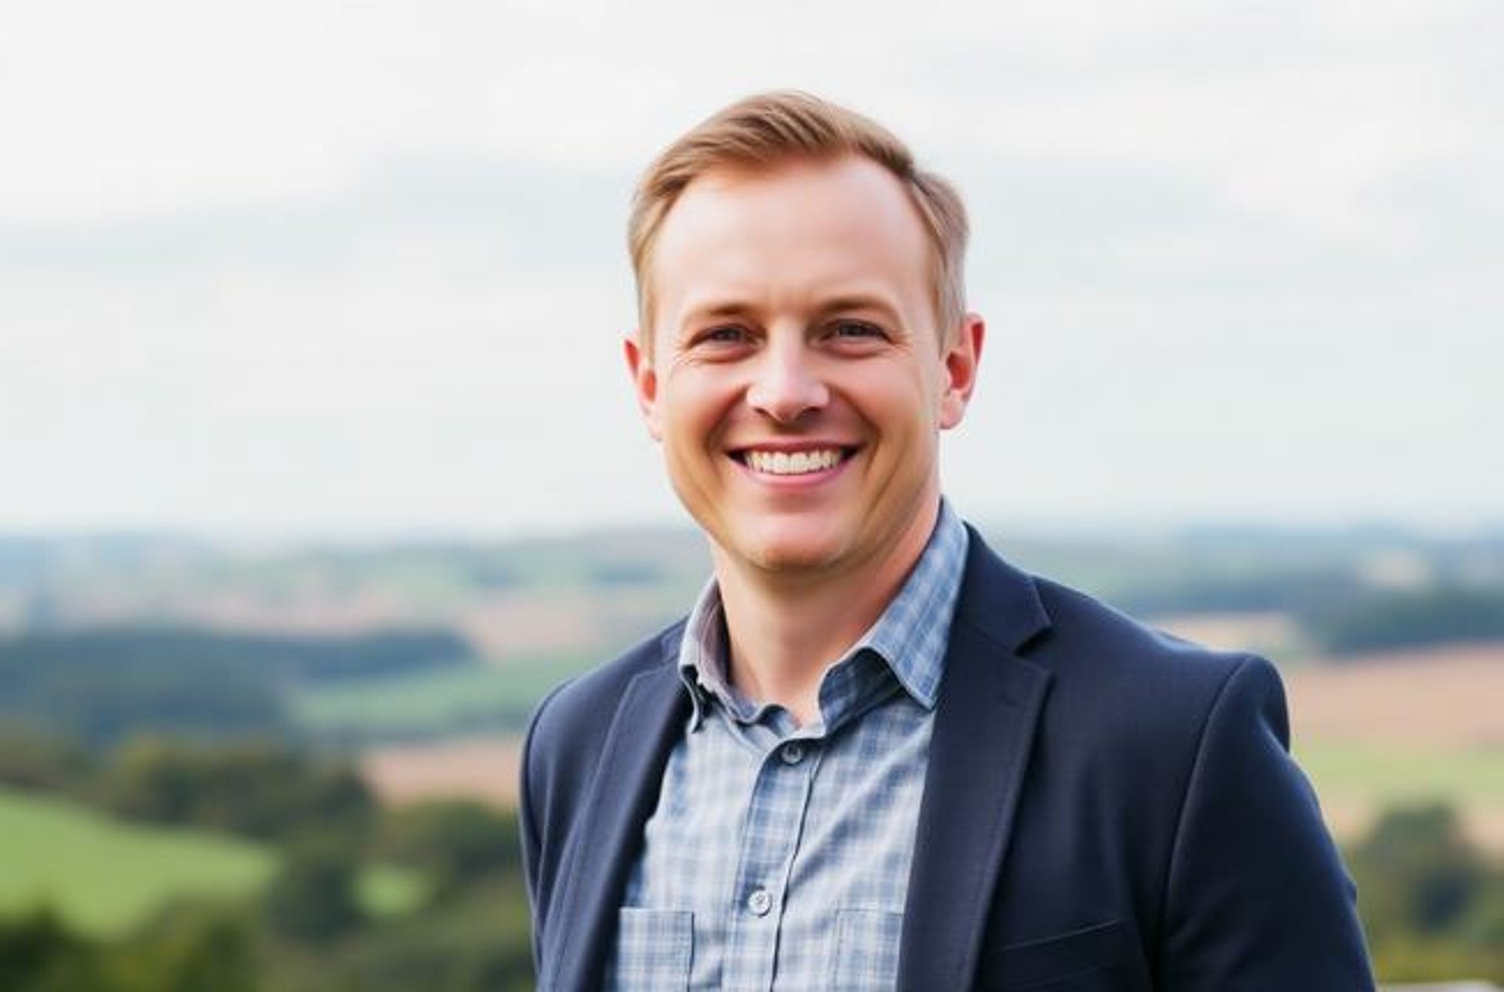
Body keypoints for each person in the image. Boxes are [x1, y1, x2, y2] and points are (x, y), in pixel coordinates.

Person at [518, 91, 1374, 991]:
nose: (785, 389)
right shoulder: (578, 744)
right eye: (726, 335)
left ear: (954, 369)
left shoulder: (1177, 742)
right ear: (650, 384)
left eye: (849, 328)